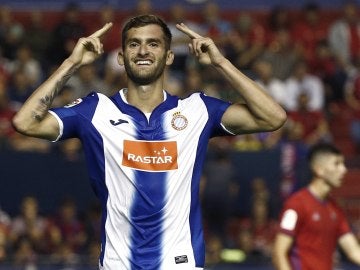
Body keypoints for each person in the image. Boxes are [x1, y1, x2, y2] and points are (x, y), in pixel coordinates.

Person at [12, 14, 286, 269]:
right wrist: (71, 63)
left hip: (181, 261)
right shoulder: (95, 111)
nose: (143, 51)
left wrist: (220, 63)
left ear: (168, 57)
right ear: (121, 57)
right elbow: (25, 122)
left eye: (153, 44)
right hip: (118, 263)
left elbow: (272, 117)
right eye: (134, 44)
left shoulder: (197, 110)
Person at [272, 143, 360, 270]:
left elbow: (354, 251)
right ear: (319, 169)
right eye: (337, 164)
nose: (344, 170)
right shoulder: (296, 205)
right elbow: (279, 252)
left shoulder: (335, 209)